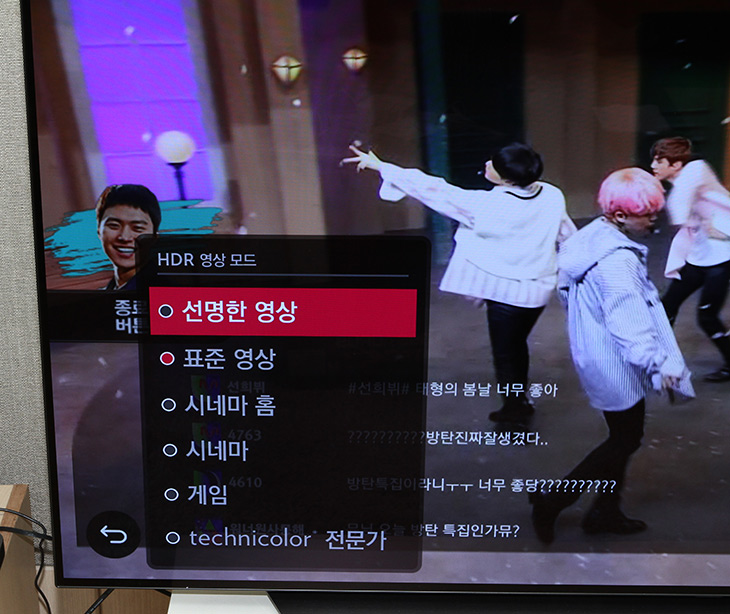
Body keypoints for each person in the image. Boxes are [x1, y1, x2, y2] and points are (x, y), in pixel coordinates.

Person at [342, 142, 575, 425]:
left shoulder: (485, 204)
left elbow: (433, 189)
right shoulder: (551, 194)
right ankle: (519, 400)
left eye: (493, 164)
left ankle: (515, 409)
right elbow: (566, 232)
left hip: (508, 292)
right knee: (515, 345)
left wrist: (381, 166)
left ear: (507, 179)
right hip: (538, 289)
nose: (487, 163)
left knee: (506, 351)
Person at [529, 168, 693, 544]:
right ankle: (553, 501)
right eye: (647, 214)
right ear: (619, 215)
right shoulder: (617, 261)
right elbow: (628, 321)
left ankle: (605, 510)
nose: (654, 220)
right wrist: (658, 362)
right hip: (616, 360)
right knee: (624, 439)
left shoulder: (591, 237)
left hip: (598, 351)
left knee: (624, 435)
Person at [650, 137, 730, 382]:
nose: (653, 165)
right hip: (698, 255)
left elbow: (678, 207)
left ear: (675, 165)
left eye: (659, 161)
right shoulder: (683, 178)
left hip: (722, 257)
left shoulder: (695, 170)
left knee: (707, 316)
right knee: (667, 306)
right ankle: (655, 359)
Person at [96, 184, 162, 290]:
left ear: (154, 237)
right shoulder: (102, 294)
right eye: (114, 225)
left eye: (137, 228)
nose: (125, 237)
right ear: (99, 231)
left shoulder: (166, 292)